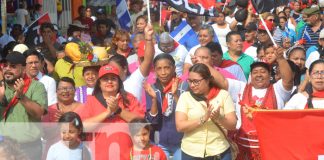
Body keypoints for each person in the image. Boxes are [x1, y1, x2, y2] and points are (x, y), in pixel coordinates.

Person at [215, 47, 293, 159]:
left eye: (263, 72)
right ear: (250, 76)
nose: (259, 75)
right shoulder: (241, 88)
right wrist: (205, 63)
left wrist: (280, 59)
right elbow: (221, 81)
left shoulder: (278, 90)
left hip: (269, 147)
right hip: (242, 148)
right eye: (255, 72)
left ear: (269, 74)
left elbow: (288, 80)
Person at [75, 64, 145, 160]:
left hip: (127, 156)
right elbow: (83, 127)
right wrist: (107, 113)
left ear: (119, 82)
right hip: (98, 156)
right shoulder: (91, 100)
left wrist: (118, 110)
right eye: (105, 79)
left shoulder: (129, 98)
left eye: (113, 78)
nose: (109, 81)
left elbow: (141, 124)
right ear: (99, 83)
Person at [175, 63, 237, 159]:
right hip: (191, 152)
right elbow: (180, 126)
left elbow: (232, 125)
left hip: (219, 151)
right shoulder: (185, 97)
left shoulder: (223, 95)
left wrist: (219, 118)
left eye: (196, 81)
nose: (192, 85)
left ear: (208, 80)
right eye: (190, 81)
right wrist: (202, 119)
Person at [0, 52, 47, 160]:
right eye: (5, 65)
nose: (7, 69)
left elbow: (39, 113)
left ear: (24, 69)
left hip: (29, 148)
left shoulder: (36, 87)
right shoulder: (0, 87)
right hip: (4, 149)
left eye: (13, 66)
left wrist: (22, 96)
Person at [144, 54, 188, 159]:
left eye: (167, 68)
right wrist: (154, 99)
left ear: (174, 68)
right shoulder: (152, 89)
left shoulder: (184, 87)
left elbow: (187, 115)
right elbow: (153, 121)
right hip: (159, 142)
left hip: (182, 142)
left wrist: (175, 95)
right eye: (159, 69)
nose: (163, 72)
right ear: (154, 70)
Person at [108, 24, 154, 102]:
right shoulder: (109, 85)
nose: (112, 72)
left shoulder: (134, 78)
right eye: (122, 41)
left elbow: (148, 60)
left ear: (125, 68)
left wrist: (148, 39)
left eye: (115, 68)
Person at [42, 77, 83, 159]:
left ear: (75, 90)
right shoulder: (49, 110)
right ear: (56, 91)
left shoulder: (84, 108)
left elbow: (86, 133)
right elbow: (45, 135)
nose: (65, 91)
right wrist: (59, 124)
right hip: (54, 154)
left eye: (69, 88)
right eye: (62, 89)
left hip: (77, 153)